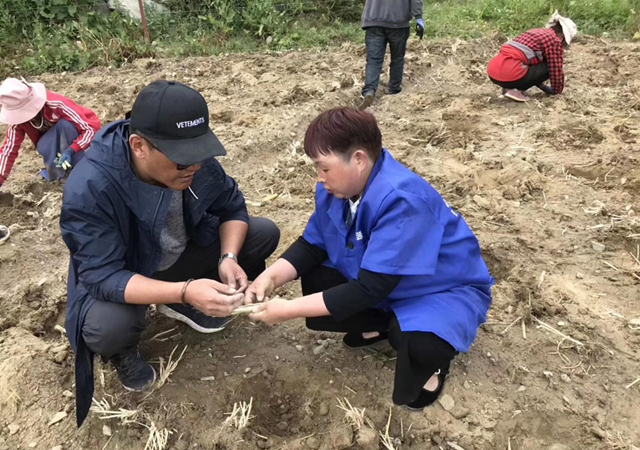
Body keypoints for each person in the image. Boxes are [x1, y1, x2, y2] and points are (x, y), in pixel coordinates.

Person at [60, 80, 280, 426]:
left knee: (262, 232)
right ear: (139, 146)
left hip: (179, 256)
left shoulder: (195, 161)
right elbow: (102, 276)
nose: (193, 167)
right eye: (182, 162)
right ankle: (130, 346)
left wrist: (228, 258)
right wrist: (185, 289)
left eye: (200, 155)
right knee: (110, 327)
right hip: (128, 274)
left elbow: (232, 207)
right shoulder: (91, 187)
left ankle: (183, 299)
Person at [246, 107, 493, 411]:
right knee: (317, 276)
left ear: (359, 160)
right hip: (390, 281)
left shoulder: (402, 200)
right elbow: (313, 244)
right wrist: (270, 277)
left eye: (324, 168)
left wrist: (288, 310)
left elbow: (370, 288)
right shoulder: (336, 189)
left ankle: (432, 362)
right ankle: (384, 323)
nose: (319, 177)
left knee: (419, 341)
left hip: (440, 288)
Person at [0, 78, 100, 186]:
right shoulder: (18, 121)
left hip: (77, 139)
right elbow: (8, 150)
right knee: (42, 145)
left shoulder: (56, 104)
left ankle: (80, 170)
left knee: (64, 125)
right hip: (52, 145)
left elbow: (90, 129)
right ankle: (59, 173)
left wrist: (71, 150)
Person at [487, 11, 577, 102]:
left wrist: (541, 85)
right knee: (549, 65)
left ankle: (508, 88)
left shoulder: (535, 32)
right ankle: (515, 89)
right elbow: (555, 68)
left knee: (535, 62)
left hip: (493, 71)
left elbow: (528, 59)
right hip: (511, 73)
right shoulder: (554, 41)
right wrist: (557, 90)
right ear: (562, 36)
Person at [358, 0, 425, 110]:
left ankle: (369, 90)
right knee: (397, 58)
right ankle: (394, 89)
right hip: (398, 22)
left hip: (373, 21)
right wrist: (419, 17)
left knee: (373, 60)